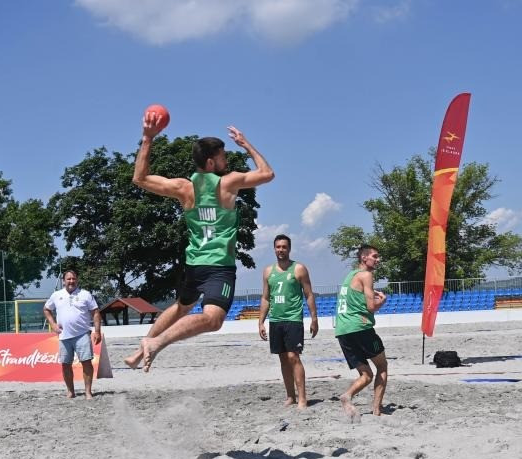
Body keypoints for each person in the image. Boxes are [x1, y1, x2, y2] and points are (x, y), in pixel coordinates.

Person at [123, 111, 274, 372]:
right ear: (211, 162)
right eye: (223, 156)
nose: (226, 159)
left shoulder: (184, 187)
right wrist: (246, 144)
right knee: (213, 320)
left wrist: (148, 138)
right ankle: (156, 343)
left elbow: (140, 178)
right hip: (219, 266)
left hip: (194, 264)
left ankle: (140, 350)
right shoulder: (228, 183)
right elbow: (268, 173)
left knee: (182, 306)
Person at [258, 234, 318, 409]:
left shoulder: (299, 269)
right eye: (278, 247)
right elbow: (265, 298)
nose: (281, 250)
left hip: (293, 319)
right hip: (275, 320)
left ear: (289, 249)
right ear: (274, 248)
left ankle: (302, 398)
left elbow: (308, 294)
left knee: (293, 356)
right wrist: (261, 321)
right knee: (283, 359)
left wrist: (314, 318)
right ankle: (290, 396)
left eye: (284, 247)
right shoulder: (268, 271)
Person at [334, 244, 388, 421]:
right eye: (375, 256)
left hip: (342, 330)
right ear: (364, 258)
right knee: (381, 366)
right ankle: (376, 410)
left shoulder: (349, 275)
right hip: (360, 328)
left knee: (366, 375)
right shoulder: (367, 275)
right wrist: (382, 302)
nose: (378, 259)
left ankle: (347, 395)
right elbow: (371, 307)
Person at [43, 270, 102, 399]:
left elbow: (96, 313)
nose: (71, 281)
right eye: (68, 279)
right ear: (63, 281)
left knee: (86, 362)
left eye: (73, 279)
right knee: (65, 364)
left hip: (82, 334)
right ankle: (70, 391)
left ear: (77, 280)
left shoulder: (85, 295)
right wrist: (53, 324)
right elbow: (46, 309)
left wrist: (97, 331)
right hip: (64, 336)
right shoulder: (56, 295)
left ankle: (88, 392)